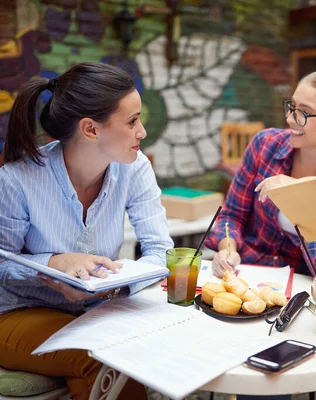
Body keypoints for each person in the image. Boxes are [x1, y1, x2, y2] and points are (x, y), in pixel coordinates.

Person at [0, 62, 174, 399]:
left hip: (95, 313)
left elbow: (159, 251)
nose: (143, 132)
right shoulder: (17, 181)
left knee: (126, 355)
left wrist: (108, 290)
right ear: (90, 129)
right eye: (132, 121)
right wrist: (54, 263)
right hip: (17, 314)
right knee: (103, 359)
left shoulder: (135, 169)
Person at [206, 67, 316, 278]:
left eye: (304, 112)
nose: (290, 119)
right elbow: (232, 215)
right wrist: (228, 249)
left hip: (302, 294)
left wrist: (300, 198)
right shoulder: (265, 145)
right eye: (292, 106)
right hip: (244, 275)